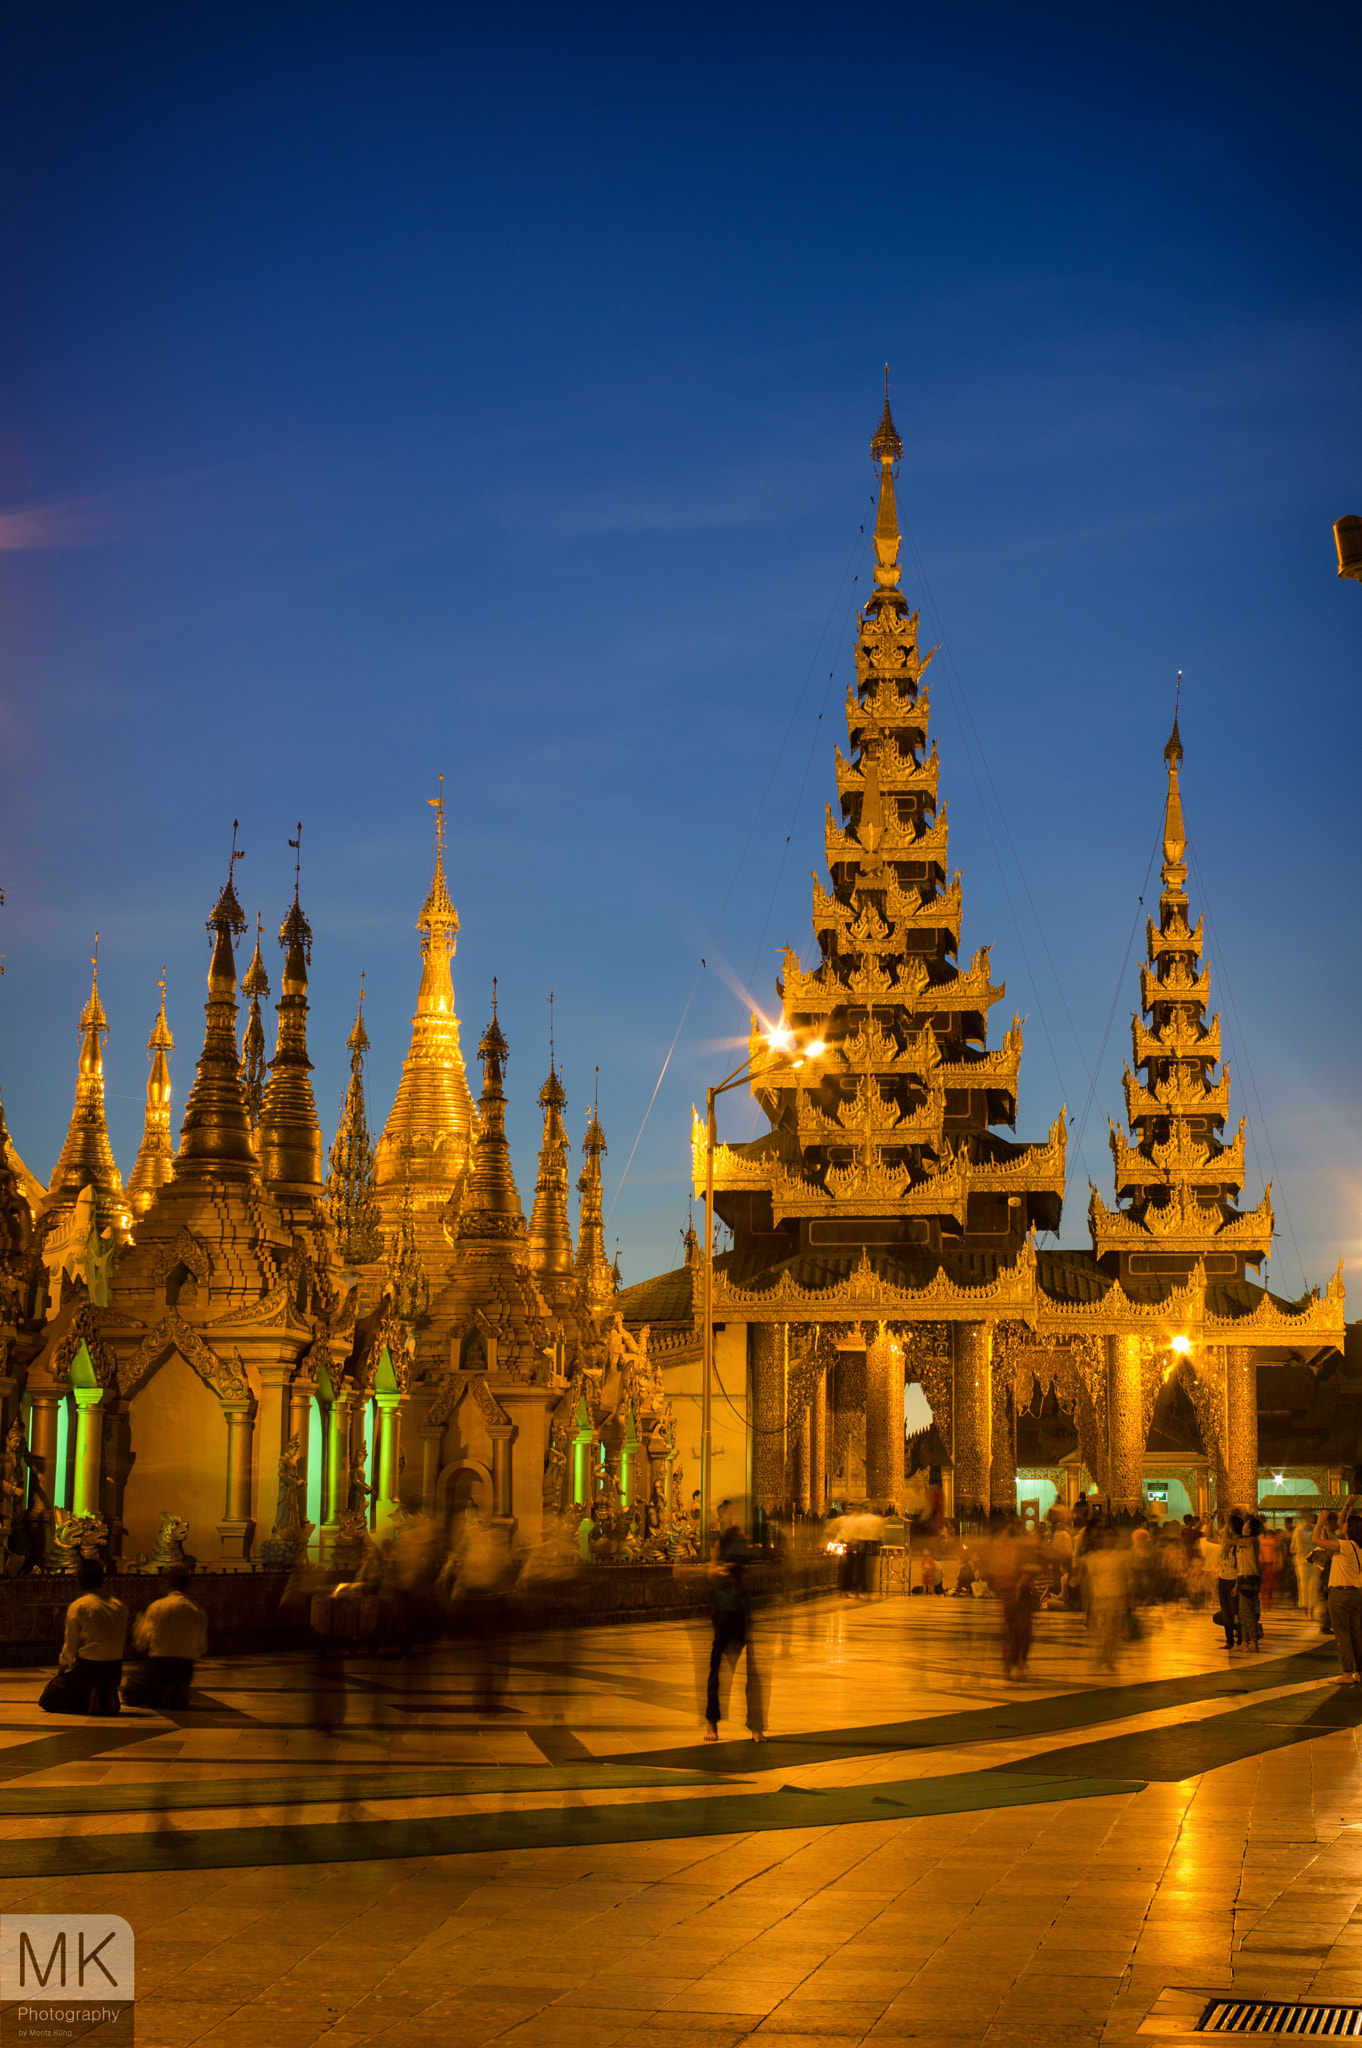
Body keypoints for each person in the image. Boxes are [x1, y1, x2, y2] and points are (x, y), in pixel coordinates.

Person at [704, 1508, 765, 1742]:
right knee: (716, 1671)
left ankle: (756, 1725)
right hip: (724, 1611)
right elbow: (711, 1571)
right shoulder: (722, 1543)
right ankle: (712, 1723)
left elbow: (758, 1571)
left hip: (743, 1612)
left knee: (753, 1673)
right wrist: (721, 1570)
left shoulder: (747, 1546)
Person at [51, 1558, 128, 1715]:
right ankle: (107, 1691)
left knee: (49, 1696)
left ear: (79, 1582)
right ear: (102, 1580)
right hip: (114, 1667)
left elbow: (70, 1646)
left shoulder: (80, 1606)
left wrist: (60, 1672)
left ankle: (90, 1695)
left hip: (89, 1667)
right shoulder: (119, 1606)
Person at [128, 1567, 207, 1709]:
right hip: (185, 1665)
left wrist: (138, 1625)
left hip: (161, 1664)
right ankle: (178, 1687)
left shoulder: (157, 1606)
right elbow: (201, 1647)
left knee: (132, 1693)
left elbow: (142, 1642)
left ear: (167, 1584)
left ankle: (164, 1690)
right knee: (178, 1676)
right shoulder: (196, 1610)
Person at [1312, 1507, 1362, 1684]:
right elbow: (1325, 1544)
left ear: (1350, 1529)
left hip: (1340, 1595)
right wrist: (1324, 1527)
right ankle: (1360, 1672)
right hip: (1357, 1593)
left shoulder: (1345, 1545)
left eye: (1346, 1524)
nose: (1343, 1525)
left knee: (1342, 1635)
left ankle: (1347, 1673)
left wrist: (1319, 1522)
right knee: (1357, 1634)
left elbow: (1315, 1540)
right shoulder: (1356, 1547)